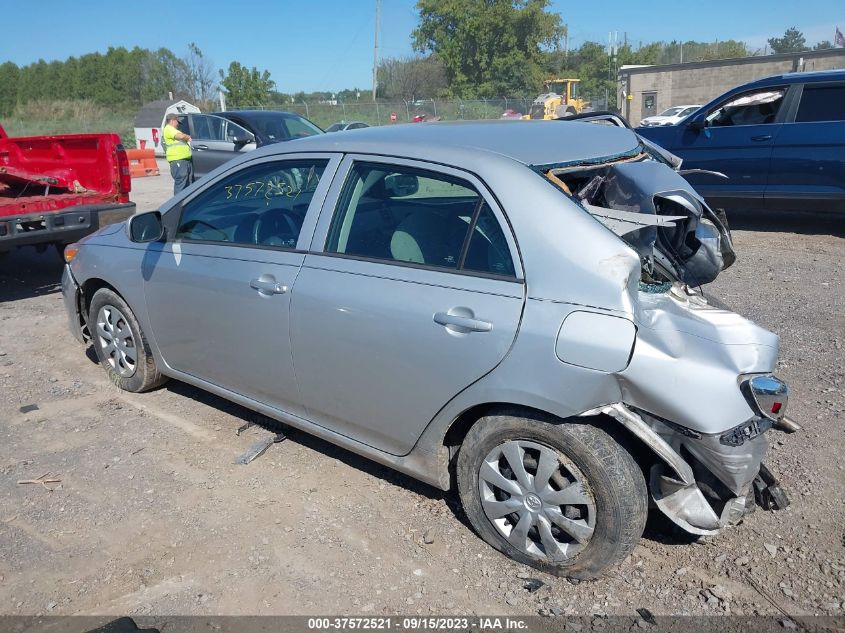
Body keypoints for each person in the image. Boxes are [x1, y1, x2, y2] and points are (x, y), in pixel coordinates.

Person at [162, 113, 192, 194]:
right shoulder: (168, 129)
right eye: (177, 122)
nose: (178, 124)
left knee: (187, 185)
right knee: (181, 185)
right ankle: (178, 205)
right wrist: (188, 137)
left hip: (184, 161)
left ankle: (185, 204)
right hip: (178, 161)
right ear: (172, 121)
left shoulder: (174, 130)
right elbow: (181, 137)